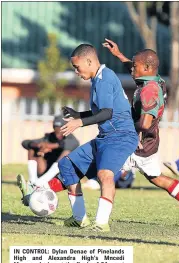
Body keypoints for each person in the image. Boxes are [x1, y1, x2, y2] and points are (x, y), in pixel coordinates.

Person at [18, 43, 138, 232]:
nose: (76, 71)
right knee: (67, 165)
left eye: (77, 67)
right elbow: (100, 111)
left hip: (121, 137)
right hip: (106, 137)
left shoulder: (105, 78)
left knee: (104, 175)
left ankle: (101, 223)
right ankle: (79, 218)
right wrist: (78, 114)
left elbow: (107, 113)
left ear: (89, 61)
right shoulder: (98, 79)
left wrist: (79, 123)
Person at [102, 38, 179, 226]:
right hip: (149, 144)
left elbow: (144, 123)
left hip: (136, 142)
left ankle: (97, 220)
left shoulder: (149, 90)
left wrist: (123, 129)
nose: (132, 70)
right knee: (157, 178)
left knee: (100, 170)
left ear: (146, 68)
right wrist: (119, 55)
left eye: (135, 67)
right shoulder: (155, 80)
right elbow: (136, 66)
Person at [17, 115, 79, 200]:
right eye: (56, 128)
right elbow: (25, 142)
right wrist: (38, 146)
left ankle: (41, 182)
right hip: (44, 170)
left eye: (61, 129)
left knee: (67, 153)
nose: (58, 131)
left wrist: (50, 146)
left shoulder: (70, 138)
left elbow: (73, 144)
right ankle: (32, 181)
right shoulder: (49, 137)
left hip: (59, 175)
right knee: (32, 149)